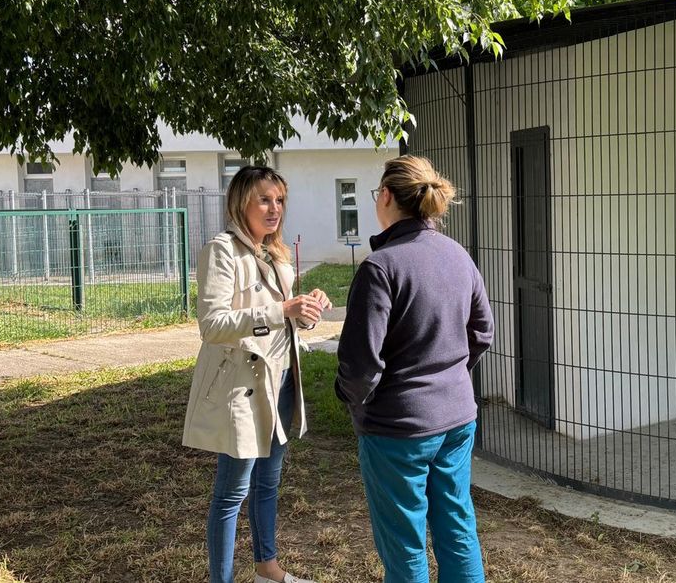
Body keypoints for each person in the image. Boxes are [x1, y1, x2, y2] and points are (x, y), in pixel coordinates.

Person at [336, 155, 495, 583]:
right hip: (456, 418)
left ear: (386, 196)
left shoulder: (380, 267)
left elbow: (360, 364)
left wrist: (353, 401)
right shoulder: (458, 255)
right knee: (457, 527)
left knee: (405, 544)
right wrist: (450, 376)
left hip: (397, 428)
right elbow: (483, 332)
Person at [182, 165, 330, 583]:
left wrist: (307, 310)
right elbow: (212, 325)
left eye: (279, 200)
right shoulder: (221, 251)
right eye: (264, 199)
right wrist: (281, 310)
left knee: (268, 482)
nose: (274, 208)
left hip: (281, 381)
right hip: (242, 386)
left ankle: (268, 568)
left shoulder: (276, 255)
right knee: (232, 491)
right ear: (241, 202)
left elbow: (289, 321)